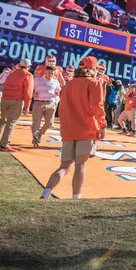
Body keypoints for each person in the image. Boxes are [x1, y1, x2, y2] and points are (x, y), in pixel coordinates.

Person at [40, 56, 106, 200]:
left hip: (69, 129)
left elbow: (62, 109)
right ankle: (76, 198)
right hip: (86, 128)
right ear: (93, 69)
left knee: (64, 166)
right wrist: (102, 125)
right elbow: (97, 107)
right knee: (80, 165)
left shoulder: (67, 85)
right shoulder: (94, 83)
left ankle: (46, 193)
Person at [0, 59, 34, 151]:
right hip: (16, 100)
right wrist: (27, 106)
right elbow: (28, 91)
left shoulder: (12, 73)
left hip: (5, 99)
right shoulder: (28, 75)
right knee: (11, 122)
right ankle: (4, 145)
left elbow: (4, 85)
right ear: (29, 66)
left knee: (2, 120)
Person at [31, 65, 62, 147]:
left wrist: (57, 97)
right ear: (45, 72)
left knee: (50, 122)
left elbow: (58, 91)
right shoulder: (37, 80)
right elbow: (29, 89)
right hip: (38, 102)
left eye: (52, 73)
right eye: (49, 73)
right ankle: (35, 138)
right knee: (36, 122)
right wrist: (32, 94)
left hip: (51, 103)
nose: (50, 75)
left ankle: (40, 133)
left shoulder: (55, 82)